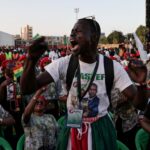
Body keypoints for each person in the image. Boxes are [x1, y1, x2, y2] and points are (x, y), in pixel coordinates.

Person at [20, 18, 149, 150]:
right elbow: (26, 88)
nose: (72, 35)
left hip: (100, 125)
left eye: (78, 31)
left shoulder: (112, 67)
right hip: (73, 122)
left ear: (93, 37)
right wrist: (30, 60)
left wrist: (142, 84)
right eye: (72, 32)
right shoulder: (64, 63)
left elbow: (139, 103)